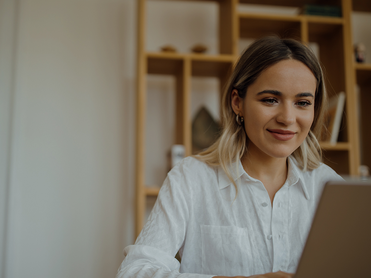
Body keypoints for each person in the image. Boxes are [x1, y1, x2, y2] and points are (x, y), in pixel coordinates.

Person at [117, 36, 343, 278]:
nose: (287, 118)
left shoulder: (330, 186)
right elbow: (134, 273)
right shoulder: (191, 178)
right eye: (270, 100)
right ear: (238, 102)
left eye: (302, 102)